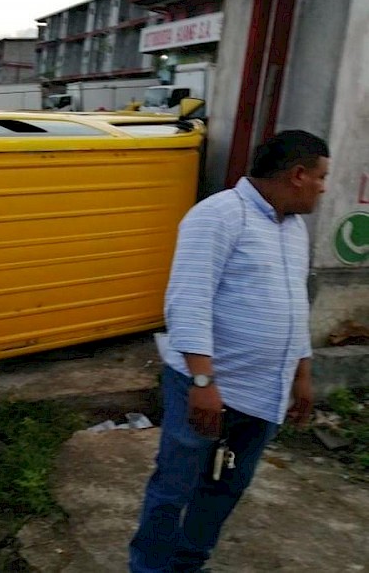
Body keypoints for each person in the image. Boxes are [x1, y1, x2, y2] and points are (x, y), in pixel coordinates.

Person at [129, 130, 330, 572]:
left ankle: (188, 564)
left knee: (225, 486)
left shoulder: (293, 230)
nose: (323, 187)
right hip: (206, 389)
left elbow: (295, 306)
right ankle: (149, 568)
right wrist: (203, 381)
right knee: (174, 489)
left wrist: (302, 375)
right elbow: (188, 301)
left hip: (264, 393)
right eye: (320, 177)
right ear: (297, 175)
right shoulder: (218, 216)